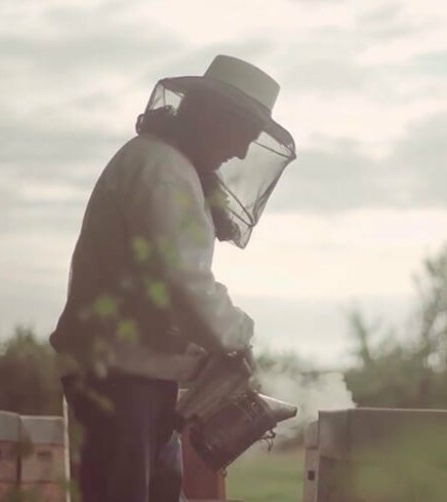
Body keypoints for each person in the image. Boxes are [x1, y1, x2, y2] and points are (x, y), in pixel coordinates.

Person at [49, 55, 297, 502]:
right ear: (214, 116)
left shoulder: (161, 163)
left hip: (134, 380)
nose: (242, 153)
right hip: (121, 384)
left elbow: (158, 294)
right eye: (242, 135)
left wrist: (209, 349)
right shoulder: (162, 169)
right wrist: (238, 335)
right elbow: (182, 283)